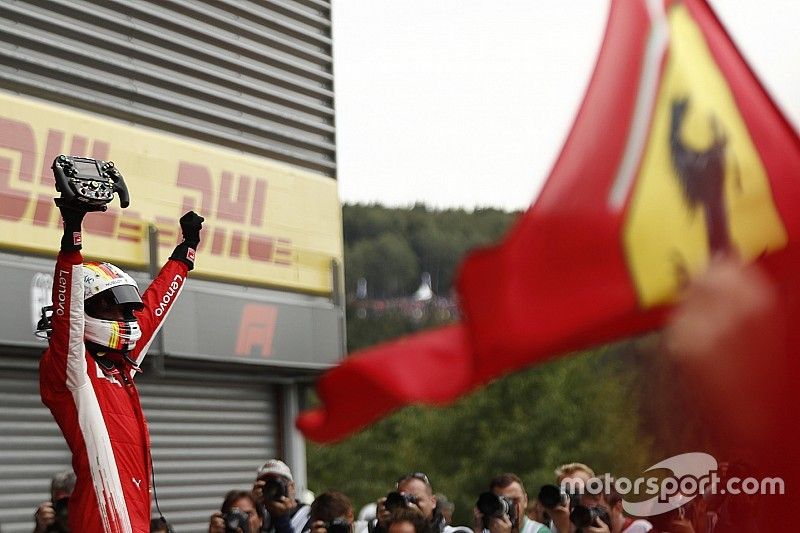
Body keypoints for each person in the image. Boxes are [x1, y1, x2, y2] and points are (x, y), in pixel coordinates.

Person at [39, 205, 204, 533]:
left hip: (137, 517)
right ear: (85, 308)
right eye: (114, 308)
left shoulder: (122, 364)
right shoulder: (73, 369)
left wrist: (185, 253)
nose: (126, 319)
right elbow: (68, 316)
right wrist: (72, 235)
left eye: (127, 309)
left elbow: (156, 306)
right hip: (102, 519)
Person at [474, 474, 550, 533]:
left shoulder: (538, 531)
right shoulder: (486, 531)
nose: (510, 505)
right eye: (503, 501)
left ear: (525, 500)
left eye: (515, 500)